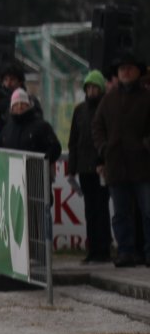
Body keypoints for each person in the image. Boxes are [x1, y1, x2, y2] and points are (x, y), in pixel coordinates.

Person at [91, 55, 150, 268]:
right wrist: (103, 148)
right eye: (122, 69)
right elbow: (97, 126)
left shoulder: (147, 97)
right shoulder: (109, 99)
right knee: (121, 213)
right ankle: (125, 252)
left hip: (143, 165)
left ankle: (147, 252)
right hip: (116, 165)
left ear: (138, 72)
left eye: (130, 68)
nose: (125, 72)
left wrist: (146, 144)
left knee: (148, 211)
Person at [68, 70, 112, 264]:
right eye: (89, 87)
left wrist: (104, 161)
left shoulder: (106, 108)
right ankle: (93, 249)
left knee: (101, 208)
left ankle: (104, 249)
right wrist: (72, 168)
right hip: (84, 168)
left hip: (101, 167)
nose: (92, 91)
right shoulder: (79, 110)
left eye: (95, 87)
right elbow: (73, 141)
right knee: (90, 210)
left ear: (101, 89)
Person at [0, 66, 42, 138]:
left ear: (20, 82)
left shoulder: (29, 100)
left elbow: (37, 121)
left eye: (12, 79)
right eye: (5, 79)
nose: (8, 83)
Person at [0, 89, 60, 161]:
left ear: (28, 105)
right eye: (16, 104)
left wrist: (44, 160)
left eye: (23, 103)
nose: (19, 106)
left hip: (35, 167)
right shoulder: (6, 129)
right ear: (12, 107)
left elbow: (55, 148)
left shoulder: (42, 126)